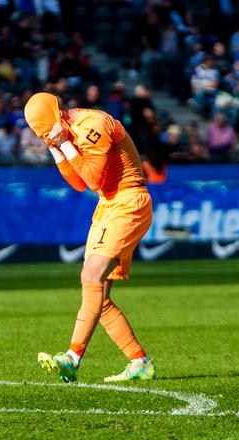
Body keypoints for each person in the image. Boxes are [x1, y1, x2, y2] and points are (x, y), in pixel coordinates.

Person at [24, 92, 155, 383]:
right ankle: (139, 361)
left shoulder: (92, 125)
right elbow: (78, 183)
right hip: (109, 205)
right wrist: (56, 149)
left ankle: (72, 357)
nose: (44, 135)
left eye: (44, 129)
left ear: (55, 116)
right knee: (100, 296)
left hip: (128, 200)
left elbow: (93, 179)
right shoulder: (70, 131)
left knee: (91, 275)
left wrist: (64, 144)